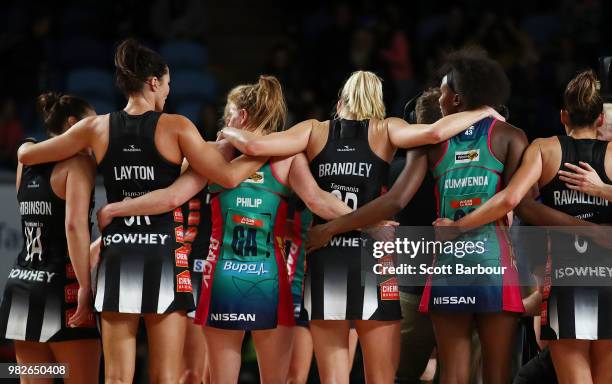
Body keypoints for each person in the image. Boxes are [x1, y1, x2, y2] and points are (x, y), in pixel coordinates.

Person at [219, 69, 503, 382]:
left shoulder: (314, 130)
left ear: (340, 101)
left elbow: (256, 147)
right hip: (374, 257)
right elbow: (435, 133)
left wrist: (227, 131)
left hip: (327, 256)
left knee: (334, 378)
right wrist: (482, 112)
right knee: (381, 377)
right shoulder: (386, 128)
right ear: (378, 102)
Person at [17, 39, 268, 384]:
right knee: (167, 376)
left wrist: (34, 148)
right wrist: (263, 150)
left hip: (118, 256)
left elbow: (28, 156)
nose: (168, 91)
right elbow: (226, 175)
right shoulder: (177, 126)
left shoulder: (95, 128)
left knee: (117, 378)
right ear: (153, 82)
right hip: (165, 254)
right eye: (166, 84)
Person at [96, 75, 357, 383]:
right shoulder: (287, 157)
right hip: (270, 281)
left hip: (222, 276)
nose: (223, 119)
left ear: (239, 116)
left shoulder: (214, 154)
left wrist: (118, 207)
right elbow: (320, 202)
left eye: (227, 114)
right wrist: (370, 219)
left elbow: (170, 197)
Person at [304, 51, 527, 383]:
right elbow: (520, 204)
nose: (438, 96)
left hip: (446, 265)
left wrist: (332, 227)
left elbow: (394, 201)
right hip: (494, 263)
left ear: (456, 98)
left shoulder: (429, 146)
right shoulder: (511, 135)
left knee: (451, 372)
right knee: (497, 374)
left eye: (442, 90)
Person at [435, 70, 612, 384]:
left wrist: (459, 226)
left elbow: (510, 199)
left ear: (562, 116)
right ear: (601, 119)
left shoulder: (544, 149)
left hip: (565, 283)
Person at [0, 92, 101, 384]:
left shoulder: (26, 160)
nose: (95, 135)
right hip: (62, 288)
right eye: (90, 125)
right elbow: (72, 226)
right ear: (73, 123)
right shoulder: (80, 165)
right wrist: (85, 286)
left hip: (22, 287)